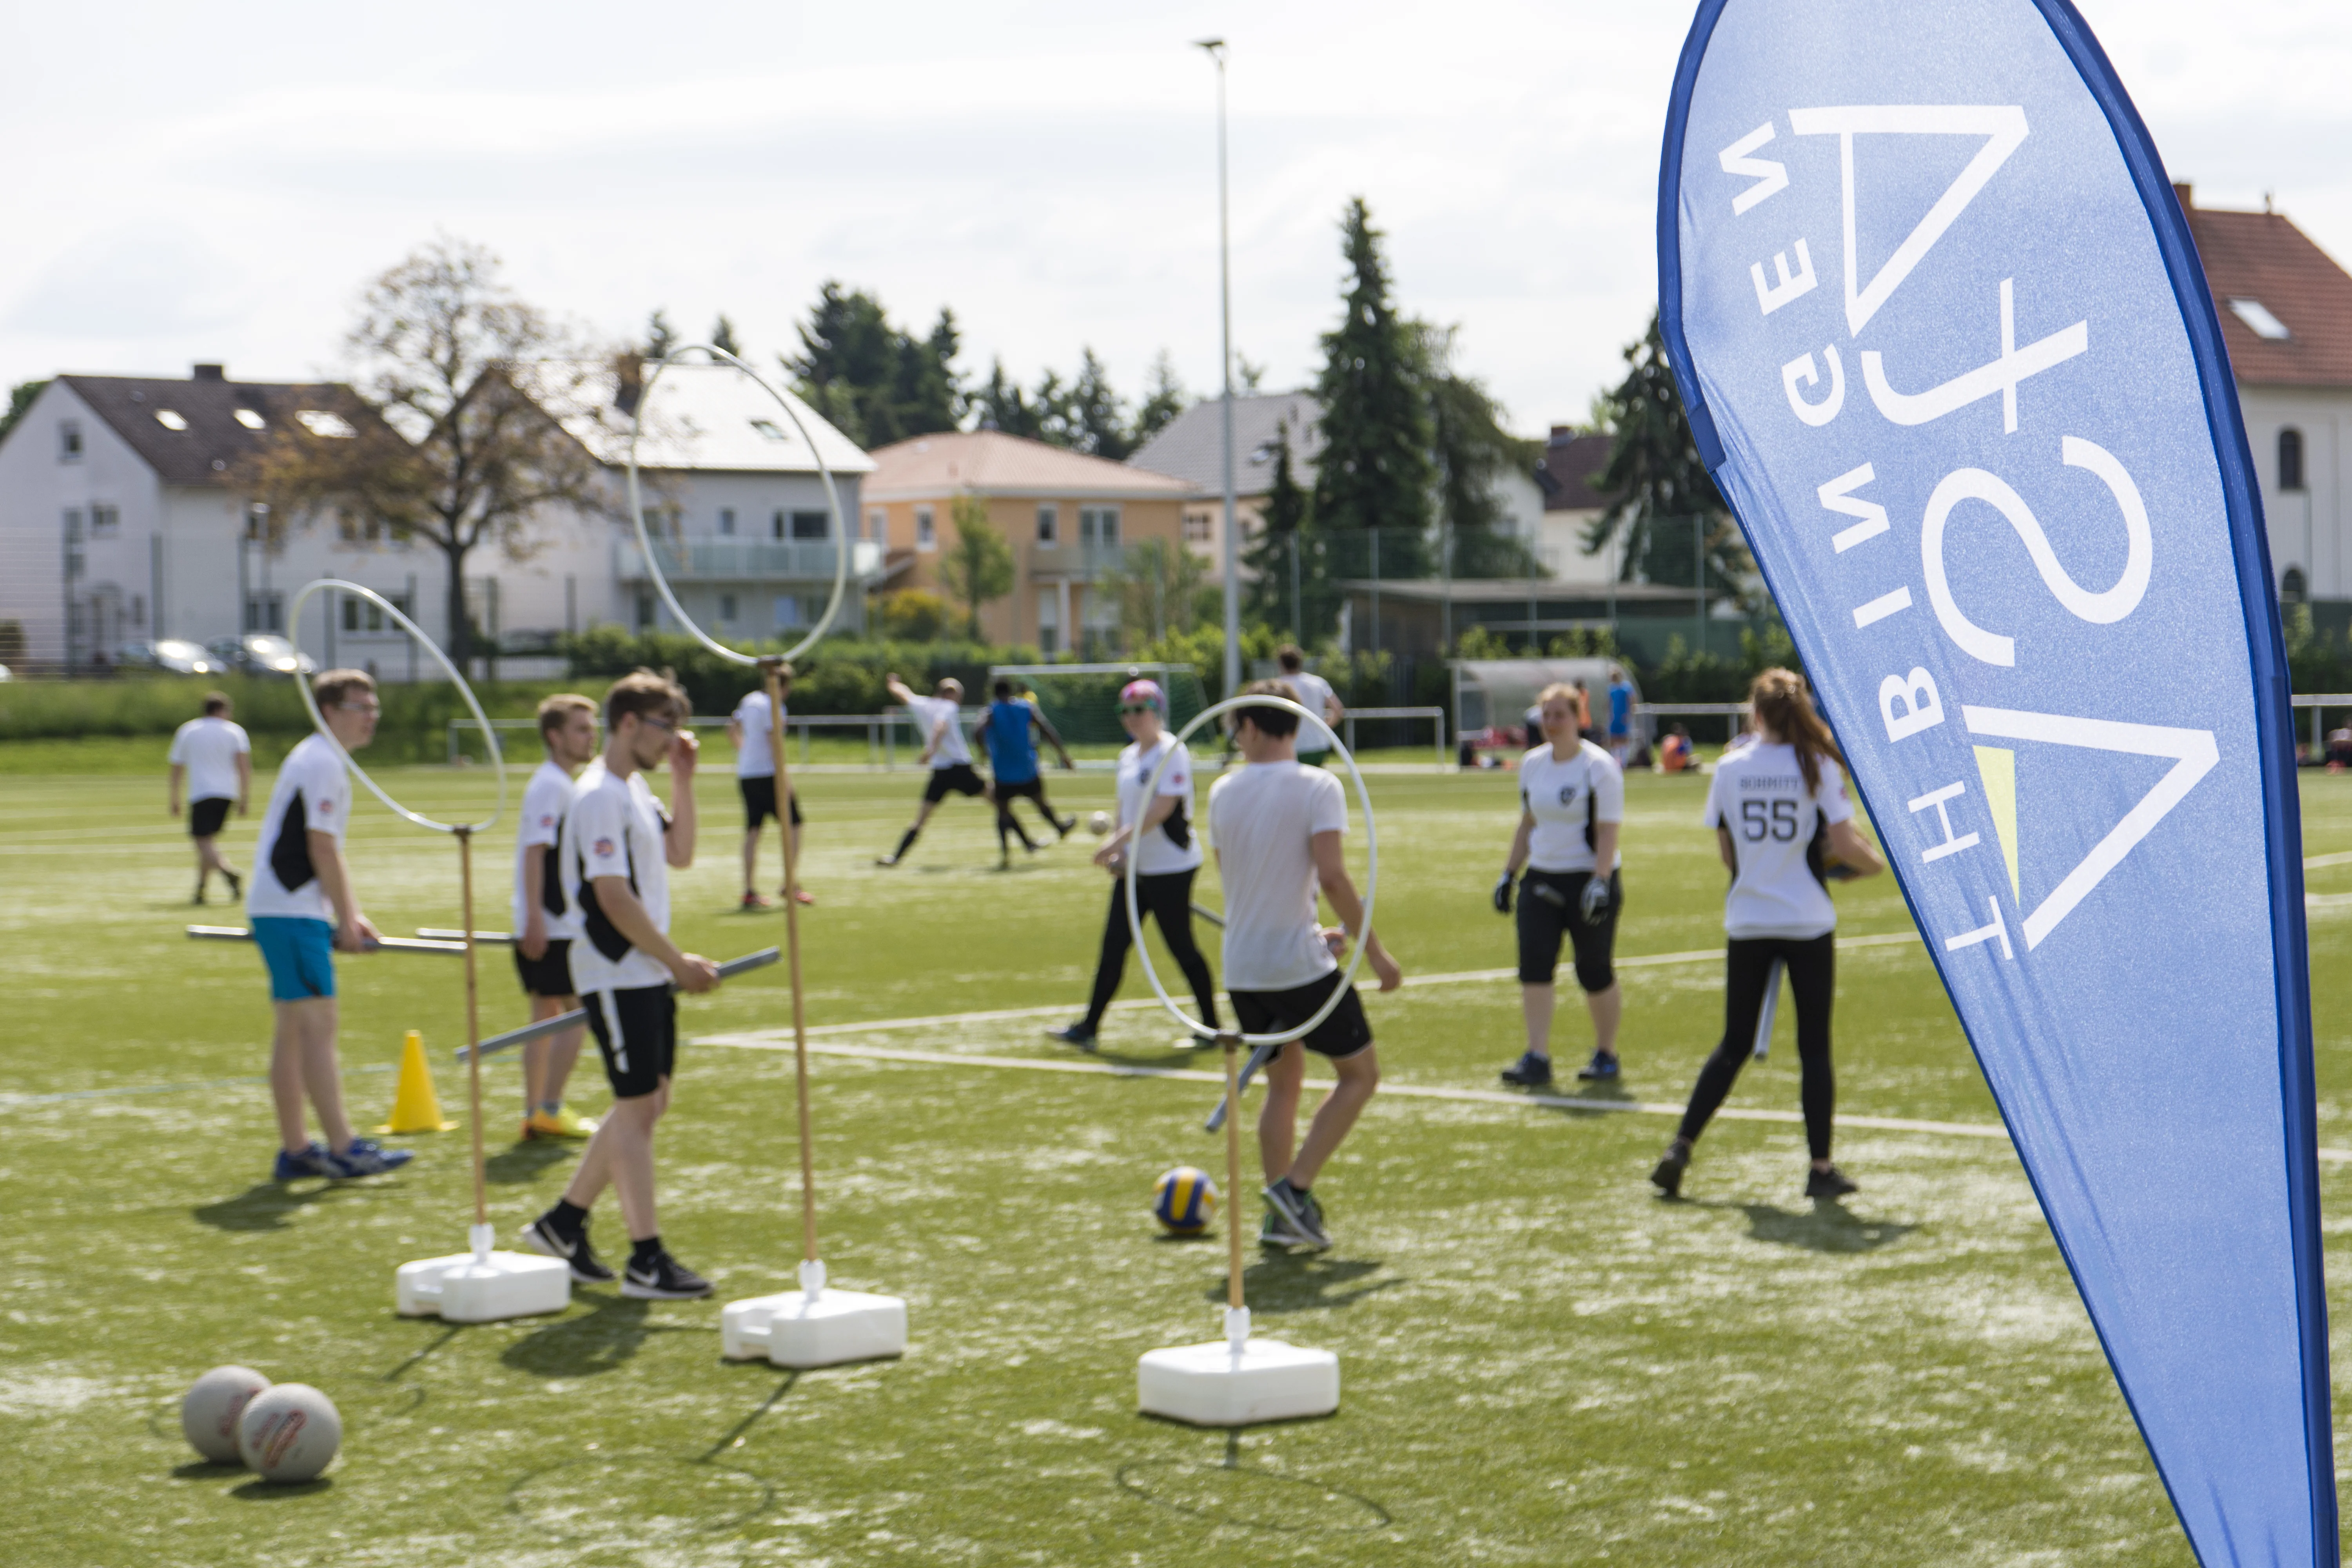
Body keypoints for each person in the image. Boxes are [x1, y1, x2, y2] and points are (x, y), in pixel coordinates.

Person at [523, 671, 723, 1298]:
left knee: (650, 1102)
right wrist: (676, 962)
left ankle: (563, 1223)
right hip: (616, 971)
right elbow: (612, 897)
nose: (673, 740)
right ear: (630, 723)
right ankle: (646, 1260)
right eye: (666, 727)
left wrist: (684, 780)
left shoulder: (635, 790)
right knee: (638, 1107)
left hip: (643, 969)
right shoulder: (598, 797)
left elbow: (680, 853)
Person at [1652, 669, 1886, 1201]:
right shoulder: (1816, 764)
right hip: (1806, 920)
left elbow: (1728, 852)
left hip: (1749, 917)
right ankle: (1820, 1169)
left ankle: (1680, 1147)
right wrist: (1876, 867)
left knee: (1733, 1043)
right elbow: (1843, 845)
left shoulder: (1731, 766)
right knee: (1814, 1048)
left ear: (1755, 713)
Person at [1210, 681, 1402, 1252]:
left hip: (1243, 966)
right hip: (1295, 966)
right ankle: (1293, 1192)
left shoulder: (1223, 790)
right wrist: (1375, 954)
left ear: (1250, 727)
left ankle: (1280, 1218)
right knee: (1360, 1076)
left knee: (1283, 1086)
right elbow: (1333, 876)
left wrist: (1311, 931)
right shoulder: (1319, 785)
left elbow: (1239, 875)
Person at [245, 669, 413, 1180]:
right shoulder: (322, 761)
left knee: (295, 1031)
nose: (371, 717)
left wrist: (348, 916)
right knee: (318, 1026)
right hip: (292, 911)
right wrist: (346, 920)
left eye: (374, 707)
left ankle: (298, 1150)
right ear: (330, 711)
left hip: (287, 907)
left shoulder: (319, 758)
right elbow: (322, 847)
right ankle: (343, 1148)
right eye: (361, 707)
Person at [1045, 679, 1220, 1048]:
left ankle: (1211, 1027)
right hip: (1136, 869)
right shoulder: (1128, 756)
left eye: (1139, 709)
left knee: (1181, 947)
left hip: (1171, 867)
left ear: (1157, 712)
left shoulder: (1172, 751)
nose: (1131, 717)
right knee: (1114, 946)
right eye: (1125, 711)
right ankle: (1089, 1027)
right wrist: (1121, 855)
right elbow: (1124, 808)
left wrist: (1116, 842)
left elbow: (1162, 808)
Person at [1494, 683, 1626, 1088]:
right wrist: (1509, 873)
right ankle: (1537, 1056)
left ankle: (1606, 1053)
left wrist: (1600, 881)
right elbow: (1527, 823)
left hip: (1587, 880)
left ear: (1577, 718)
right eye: (1546, 715)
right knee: (1534, 967)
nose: (1551, 723)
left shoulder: (1597, 766)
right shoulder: (1533, 764)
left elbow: (1608, 830)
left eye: (1560, 715)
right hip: (1541, 879)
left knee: (1593, 968)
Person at [512, 693, 601, 1142]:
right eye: (581, 729)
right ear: (555, 736)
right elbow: (536, 853)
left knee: (546, 1017)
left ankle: (536, 1112)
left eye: (592, 728)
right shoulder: (553, 785)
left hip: (550, 920)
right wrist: (536, 919)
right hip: (554, 924)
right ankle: (548, 1106)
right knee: (576, 1016)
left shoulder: (559, 783)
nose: (591, 737)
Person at [876, 674, 987, 866]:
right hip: (960, 768)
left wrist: (893, 684)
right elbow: (940, 726)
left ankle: (895, 858)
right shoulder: (949, 706)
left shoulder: (923, 704)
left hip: (941, 772)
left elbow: (903, 694)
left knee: (920, 820)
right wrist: (930, 749)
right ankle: (1028, 842)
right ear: (952, 694)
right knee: (999, 801)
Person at [726, 666, 812, 909]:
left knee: (753, 830)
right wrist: (785, 779)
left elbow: (731, 729)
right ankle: (789, 883)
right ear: (785, 686)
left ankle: (749, 890)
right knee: (794, 825)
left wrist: (746, 752)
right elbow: (775, 743)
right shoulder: (774, 706)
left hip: (747, 773)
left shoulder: (749, 700)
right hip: (768, 775)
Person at [973, 677, 1076, 867]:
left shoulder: (991, 711)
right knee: (1040, 802)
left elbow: (977, 731)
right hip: (1027, 768)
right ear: (1011, 691)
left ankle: (1005, 853)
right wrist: (1063, 755)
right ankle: (1059, 828)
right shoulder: (1026, 707)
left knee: (1003, 811)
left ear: (994, 693)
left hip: (1003, 772)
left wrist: (983, 752)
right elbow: (1047, 729)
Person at [168, 691, 251, 905]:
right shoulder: (235, 732)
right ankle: (201, 890)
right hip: (228, 793)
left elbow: (177, 766)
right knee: (208, 842)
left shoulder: (188, 730)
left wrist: (174, 796)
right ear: (221, 710)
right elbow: (244, 767)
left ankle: (228, 872)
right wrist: (245, 797)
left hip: (201, 792)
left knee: (202, 841)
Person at [1274, 645, 1344, 764]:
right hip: (1319, 745)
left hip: (1294, 746)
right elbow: (1338, 709)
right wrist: (1324, 726)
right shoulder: (1318, 683)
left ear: (1281, 664)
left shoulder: (1278, 686)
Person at [1605, 666, 1637, 769]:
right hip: (1614, 717)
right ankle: (1614, 762)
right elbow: (1609, 703)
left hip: (1624, 717)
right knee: (1613, 739)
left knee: (1624, 739)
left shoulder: (1627, 687)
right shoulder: (1611, 688)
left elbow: (1632, 701)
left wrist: (1630, 715)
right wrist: (1609, 715)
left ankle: (1624, 762)